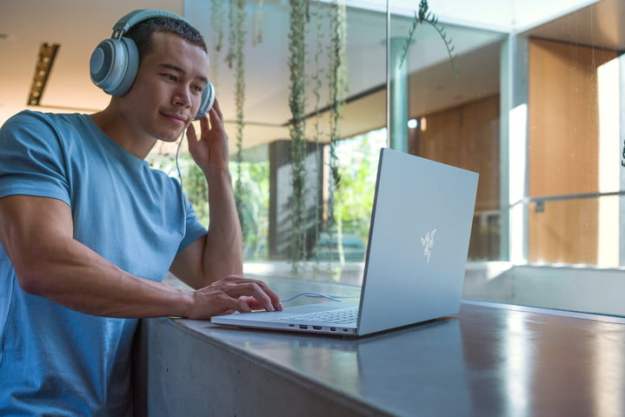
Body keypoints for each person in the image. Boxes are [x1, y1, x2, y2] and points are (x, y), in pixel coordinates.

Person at [0, 9, 282, 416]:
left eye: (199, 87)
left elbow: (221, 281)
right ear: (120, 71)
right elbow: (43, 262)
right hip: (25, 407)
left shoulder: (167, 194)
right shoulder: (40, 137)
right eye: (170, 76)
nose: (186, 98)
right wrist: (184, 301)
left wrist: (219, 174)